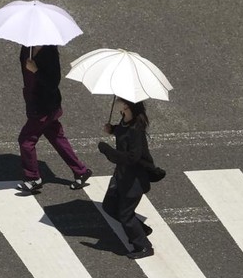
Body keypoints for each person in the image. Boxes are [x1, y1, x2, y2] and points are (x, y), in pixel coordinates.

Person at [17, 45, 92, 192]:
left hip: (44, 106)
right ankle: (81, 171)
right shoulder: (27, 48)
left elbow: (52, 83)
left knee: (26, 140)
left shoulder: (49, 53)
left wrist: (36, 71)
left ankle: (33, 178)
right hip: (34, 101)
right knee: (56, 137)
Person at [98, 98, 155, 259]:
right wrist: (113, 130)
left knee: (125, 215)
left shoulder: (136, 128)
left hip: (134, 179)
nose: (117, 102)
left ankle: (144, 247)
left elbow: (132, 157)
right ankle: (141, 230)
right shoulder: (125, 120)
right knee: (109, 206)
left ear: (127, 105)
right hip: (122, 175)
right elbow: (123, 133)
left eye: (121, 100)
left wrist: (108, 151)